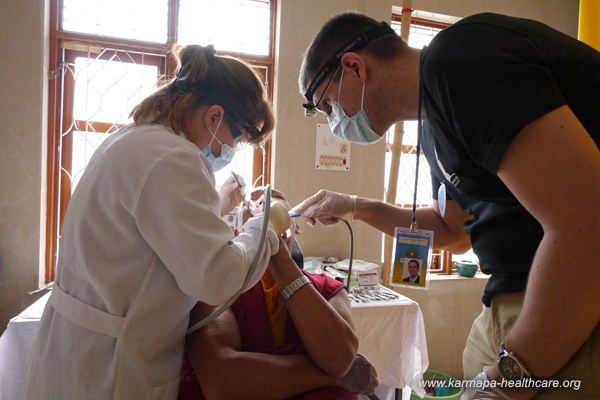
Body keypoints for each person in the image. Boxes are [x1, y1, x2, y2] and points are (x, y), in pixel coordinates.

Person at [293, 11, 600, 399]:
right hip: (508, 300)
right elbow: (453, 232)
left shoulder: (459, 58)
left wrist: (508, 380)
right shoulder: (434, 124)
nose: (334, 121)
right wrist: (356, 206)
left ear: (354, 66)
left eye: (328, 105)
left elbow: (586, 222)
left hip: (572, 301)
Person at [22, 44, 280, 400]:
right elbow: (217, 277)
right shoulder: (177, 159)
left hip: (74, 354)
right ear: (214, 116)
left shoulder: (132, 139)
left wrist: (217, 205)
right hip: (112, 369)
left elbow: (147, 234)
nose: (230, 149)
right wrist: (266, 229)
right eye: (236, 139)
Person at [178, 191, 379, 399]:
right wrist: (333, 378)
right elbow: (223, 381)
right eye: (257, 208)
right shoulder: (217, 288)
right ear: (238, 231)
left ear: (296, 228)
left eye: (277, 210)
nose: (266, 211)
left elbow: (339, 359)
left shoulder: (327, 289)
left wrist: (281, 261)